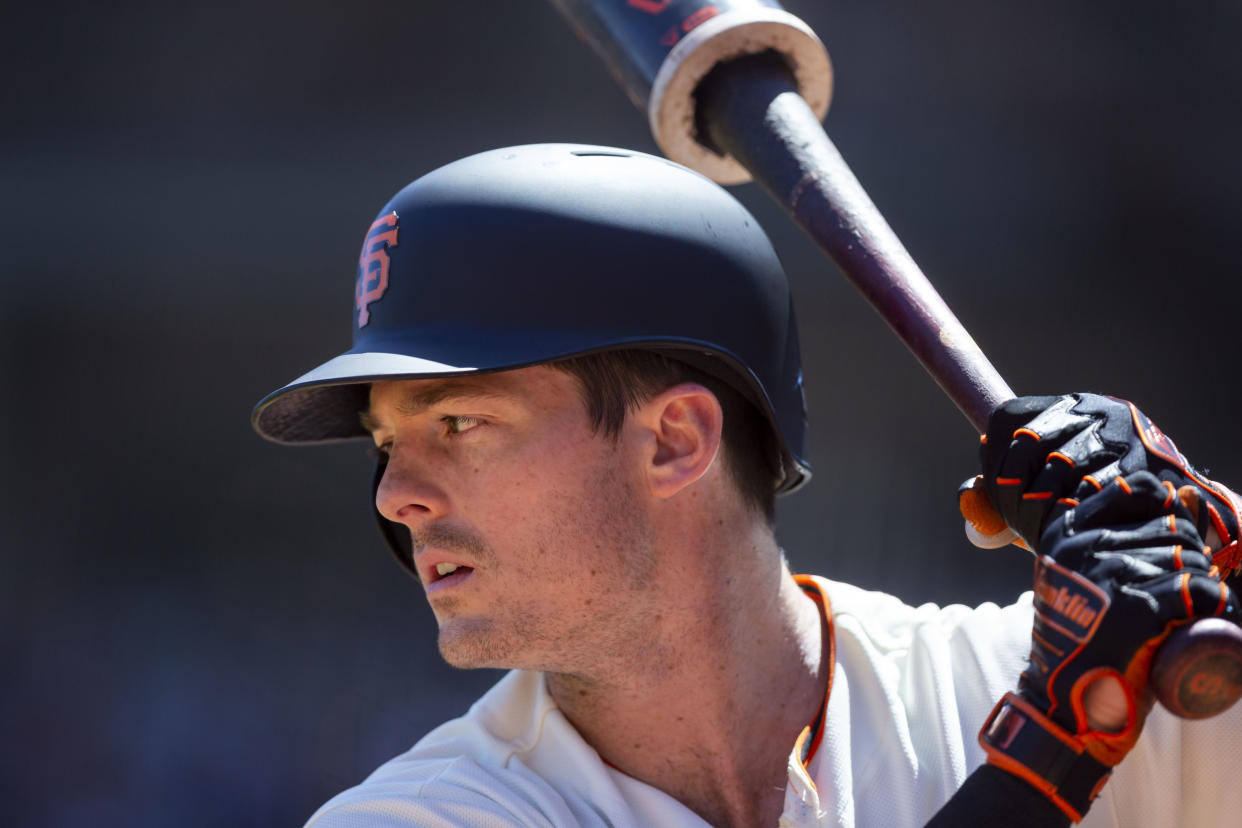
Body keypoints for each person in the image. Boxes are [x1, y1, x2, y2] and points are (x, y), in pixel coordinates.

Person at [252, 144, 1242, 827]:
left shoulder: (1044, 677)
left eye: (459, 423)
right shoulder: (430, 810)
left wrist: (1211, 533)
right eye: (388, 441)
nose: (395, 495)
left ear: (675, 441)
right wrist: (1047, 768)